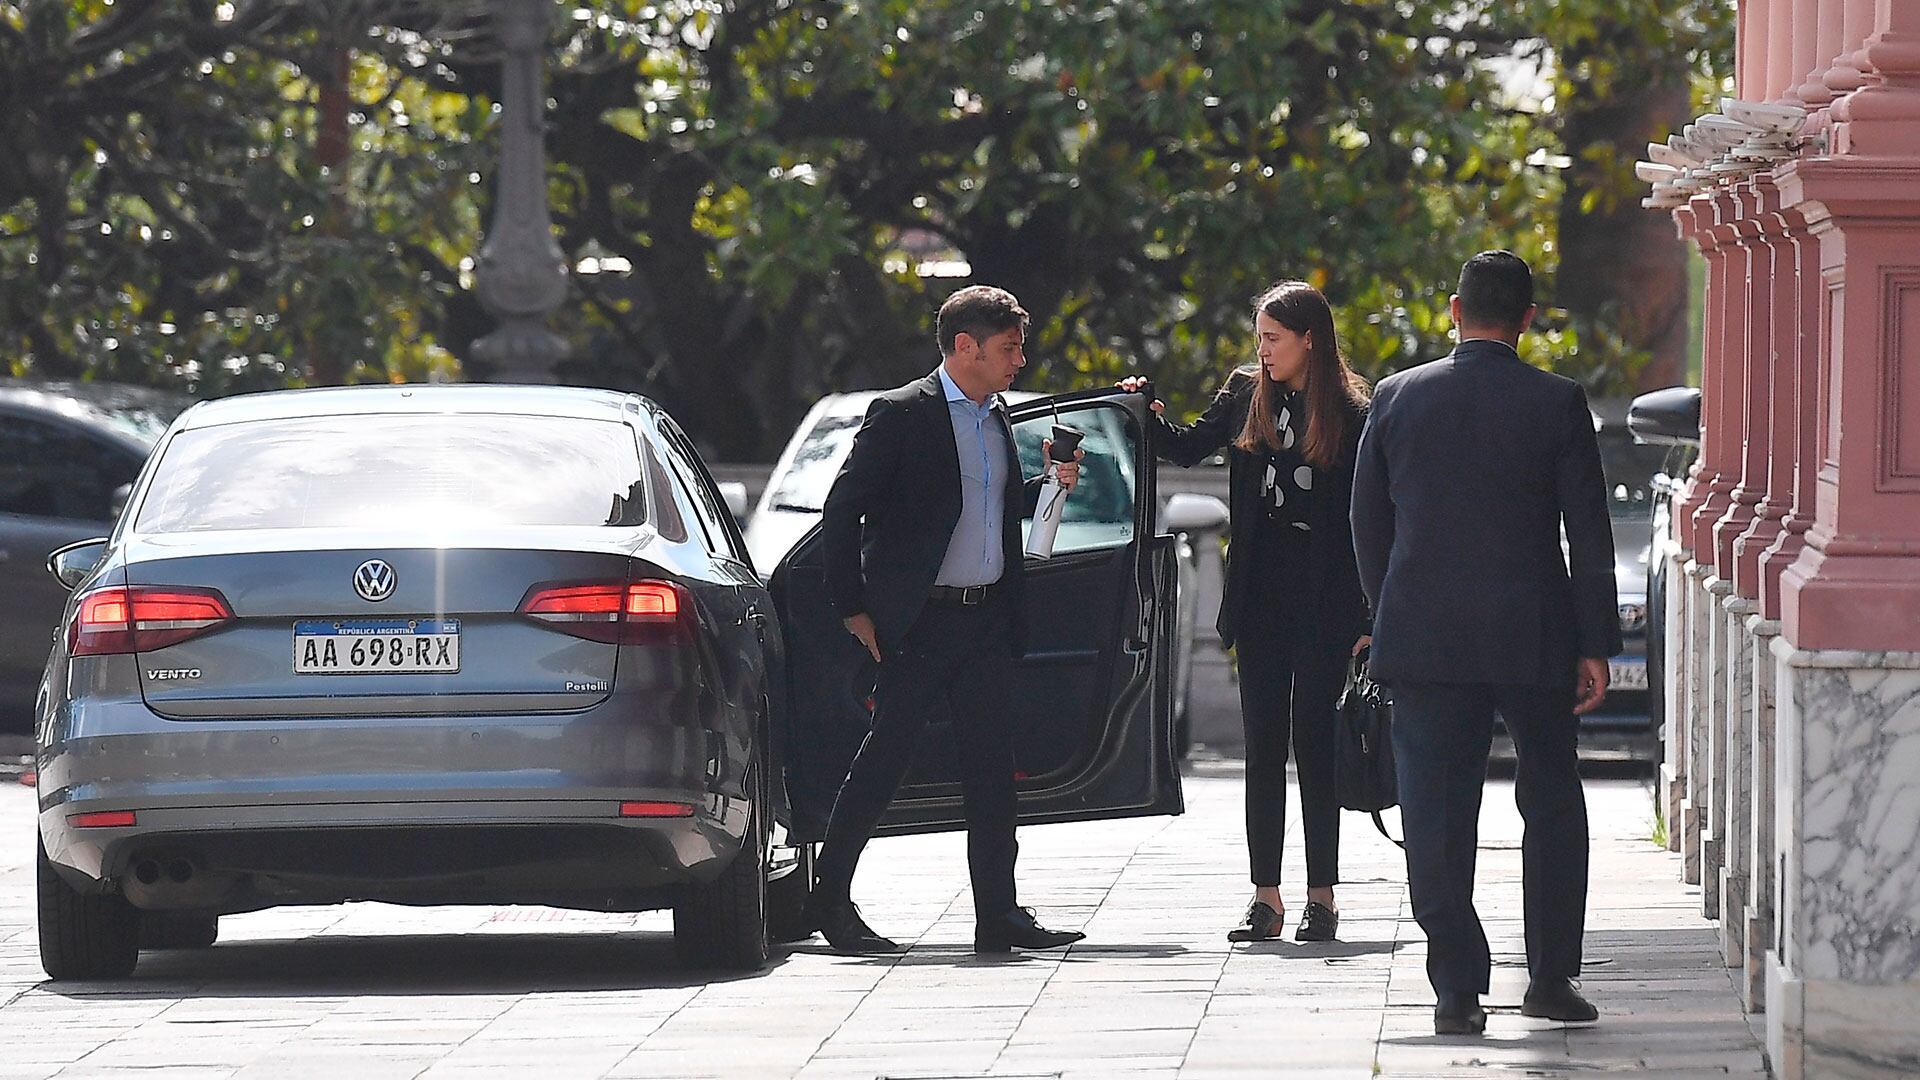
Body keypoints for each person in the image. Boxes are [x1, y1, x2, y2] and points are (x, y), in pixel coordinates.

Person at [1349, 251, 1620, 1035]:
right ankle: (1549, 978)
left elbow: (1367, 524)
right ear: (1529, 320)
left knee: (1434, 809)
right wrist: (1595, 641)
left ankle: (1458, 988)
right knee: (1552, 799)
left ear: (1454, 311)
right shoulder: (1558, 401)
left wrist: (1384, 613)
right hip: (1534, 634)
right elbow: (1589, 534)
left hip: (1425, 637)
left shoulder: (1397, 397)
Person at [801, 284, 1087, 956]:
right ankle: (829, 902)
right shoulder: (902, 414)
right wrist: (854, 608)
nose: (1020, 360)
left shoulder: (997, 417)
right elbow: (842, 512)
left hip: (985, 620)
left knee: (994, 772)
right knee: (883, 764)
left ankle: (1000, 915)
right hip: (919, 625)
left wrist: (1049, 488)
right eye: (1009, 348)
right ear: (966, 347)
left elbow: (986, 510)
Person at [1121, 281, 1372, 944]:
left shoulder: (1351, 407)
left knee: (1314, 743)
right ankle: (1266, 897)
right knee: (1262, 745)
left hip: (1326, 597)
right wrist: (1143, 409)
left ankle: (1323, 896)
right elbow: (1184, 447)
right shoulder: (1242, 393)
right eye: (1259, 338)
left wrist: (1372, 613)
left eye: (1273, 339)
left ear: (1309, 339)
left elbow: (1373, 516)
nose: (1261, 351)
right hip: (1260, 594)